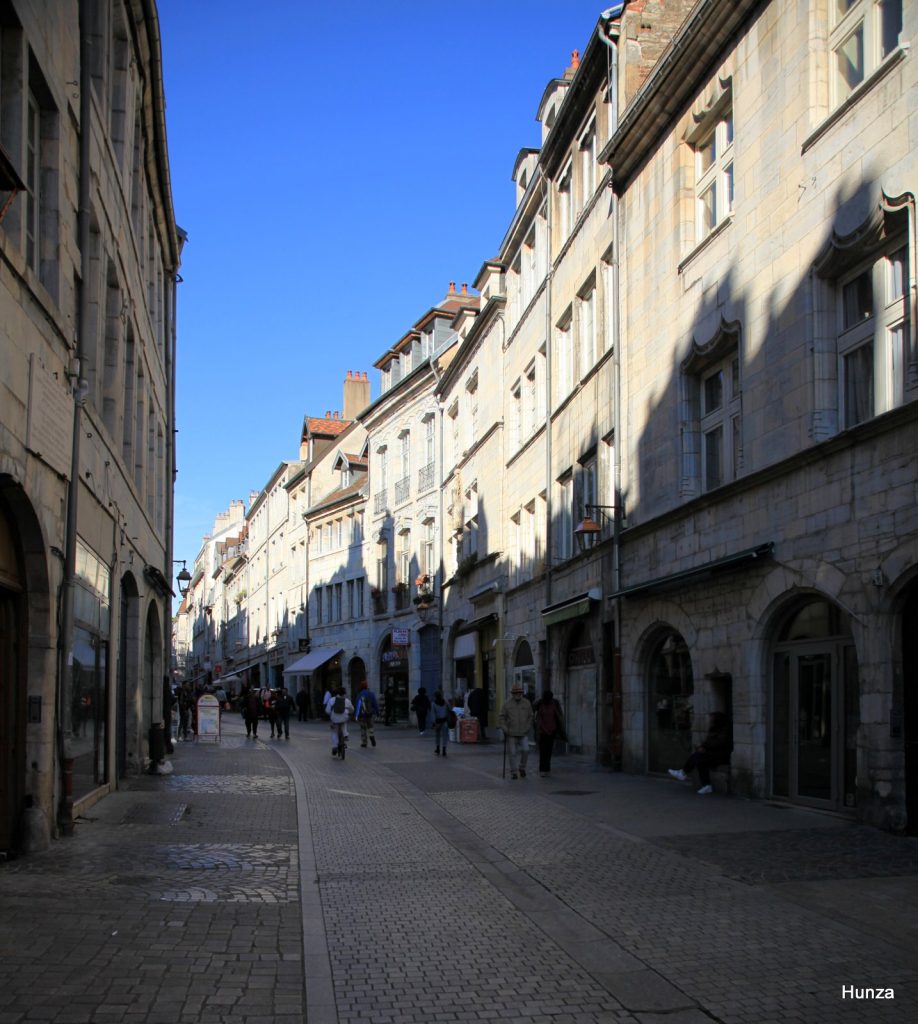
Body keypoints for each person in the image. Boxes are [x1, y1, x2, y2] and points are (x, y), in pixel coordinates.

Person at [668, 710, 733, 795]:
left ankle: (683, 772)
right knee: (700, 761)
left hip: (721, 756)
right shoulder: (714, 729)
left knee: (698, 756)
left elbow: (719, 742)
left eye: (712, 719)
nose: (710, 720)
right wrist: (702, 746)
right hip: (713, 753)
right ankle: (706, 786)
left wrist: (704, 747)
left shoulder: (724, 730)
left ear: (717, 720)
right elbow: (710, 742)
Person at [498, 683, 534, 780]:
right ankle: (514, 772)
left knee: (526, 750)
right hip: (511, 732)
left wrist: (528, 726)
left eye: (519, 692)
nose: (518, 694)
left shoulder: (527, 703)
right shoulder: (507, 704)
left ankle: (522, 767)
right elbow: (502, 717)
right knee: (512, 753)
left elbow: (531, 716)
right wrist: (505, 728)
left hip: (523, 732)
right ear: (512, 693)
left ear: (521, 693)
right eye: (516, 693)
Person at [532, 688, 566, 777]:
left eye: (549, 699)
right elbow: (532, 707)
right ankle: (542, 770)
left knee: (549, 751)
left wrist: (561, 728)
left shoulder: (555, 703)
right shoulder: (540, 704)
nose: (548, 701)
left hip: (552, 731)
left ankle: (547, 768)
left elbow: (559, 715)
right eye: (546, 699)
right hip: (542, 731)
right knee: (543, 751)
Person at [326, 686, 354, 756]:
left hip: (334, 719)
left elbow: (327, 710)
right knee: (344, 723)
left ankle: (335, 746)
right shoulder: (346, 700)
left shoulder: (332, 700)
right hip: (344, 718)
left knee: (334, 731)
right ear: (344, 693)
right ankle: (345, 735)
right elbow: (352, 709)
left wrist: (331, 714)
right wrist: (349, 712)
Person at [354, 680, 379, 748]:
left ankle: (364, 742)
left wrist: (356, 715)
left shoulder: (359, 695)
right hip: (370, 713)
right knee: (370, 726)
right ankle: (371, 736)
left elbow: (358, 706)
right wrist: (377, 712)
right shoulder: (371, 694)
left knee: (363, 728)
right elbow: (375, 704)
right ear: (367, 686)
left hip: (362, 715)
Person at [430, 690, 451, 757]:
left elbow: (433, 714)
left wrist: (433, 722)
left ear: (435, 696)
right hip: (445, 721)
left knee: (437, 735)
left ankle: (438, 748)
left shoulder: (433, 703)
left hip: (438, 721)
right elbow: (450, 709)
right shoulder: (445, 702)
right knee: (445, 736)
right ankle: (444, 750)